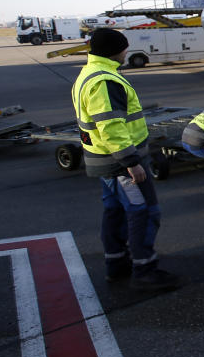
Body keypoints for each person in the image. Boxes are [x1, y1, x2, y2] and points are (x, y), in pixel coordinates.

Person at [72, 28, 180, 291]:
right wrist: (131, 161)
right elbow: (111, 126)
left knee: (115, 212)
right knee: (143, 211)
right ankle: (144, 270)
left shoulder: (88, 73)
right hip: (120, 163)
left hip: (103, 159)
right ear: (114, 50)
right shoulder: (105, 80)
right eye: (124, 48)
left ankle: (117, 264)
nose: (126, 53)